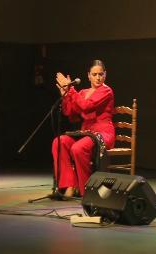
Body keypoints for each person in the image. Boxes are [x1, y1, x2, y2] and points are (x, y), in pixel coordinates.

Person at [52, 60, 115, 198]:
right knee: (59, 142)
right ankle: (69, 185)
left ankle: (86, 190)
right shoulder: (83, 92)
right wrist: (66, 95)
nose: (98, 77)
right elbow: (71, 113)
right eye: (94, 74)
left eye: (100, 74)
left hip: (103, 133)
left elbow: (86, 106)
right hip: (86, 133)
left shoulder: (106, 91)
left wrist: (71, 90)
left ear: (105, 75)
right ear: (88, 76)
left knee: (78, 148)